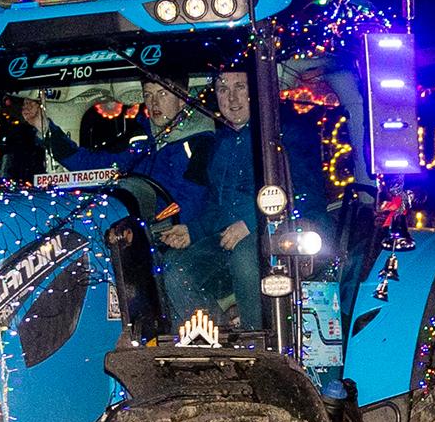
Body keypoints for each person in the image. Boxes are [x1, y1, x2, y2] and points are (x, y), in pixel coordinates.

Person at [22, 81, 219, 319]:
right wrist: (42, 126)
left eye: (162, 94)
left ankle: (202, 336)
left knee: (163, 269)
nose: (154, 103)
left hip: (190, 234)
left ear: (182, 99)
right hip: (145, 232)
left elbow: (194, 202)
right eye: (148, 95)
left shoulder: (202, 142)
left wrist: (157, 225)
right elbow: (92, 165)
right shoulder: (144, 141)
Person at [197, 70, 328, 329]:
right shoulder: (220, 144)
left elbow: (305, 194)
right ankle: (207, 340)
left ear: (257, 92)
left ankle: (257, 342)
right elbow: (215, 205)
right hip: (230, 238)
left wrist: (250, 221)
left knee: (246, 258)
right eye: (223, 89)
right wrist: (191, 230)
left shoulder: (285, 134)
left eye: (240, 87)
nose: (232, 98)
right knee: (178, 266)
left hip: (286, 233)